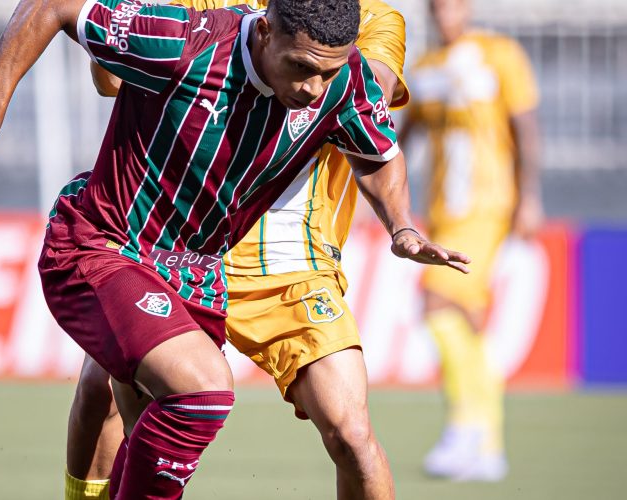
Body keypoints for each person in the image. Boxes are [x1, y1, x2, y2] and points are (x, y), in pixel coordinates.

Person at [0, 0, 470, 497]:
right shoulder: (192, 36)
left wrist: (401, 227)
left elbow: (377, 139)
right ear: (266, 31)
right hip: (110, 245)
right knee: (170, 391)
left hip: (236, 264)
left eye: (326, 73)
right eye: (301, 68)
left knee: (344, 431)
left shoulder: (349, 48)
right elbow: (75, 31)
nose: (312, 89)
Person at [65, 1, 417, 499]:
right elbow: (114, 79)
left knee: (352, 435)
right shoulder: (206, 10)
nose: (314, 83)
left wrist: (285, 56)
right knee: (98, 390)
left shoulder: (365, 20)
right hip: (170, 242)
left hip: (290, 261)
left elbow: (367, 92)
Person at [402, 0, 543, 482]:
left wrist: (529, 196)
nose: (444, 14)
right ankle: (488, 446)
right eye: (437, 7)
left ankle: (464, 428)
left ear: (467, 7)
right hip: (444, 213)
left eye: (452, 5)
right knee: (468, 319)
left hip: (488, 205)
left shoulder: (498, 54)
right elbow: (403, 138)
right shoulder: (426, 69)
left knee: (436, 302)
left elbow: (525, 127)